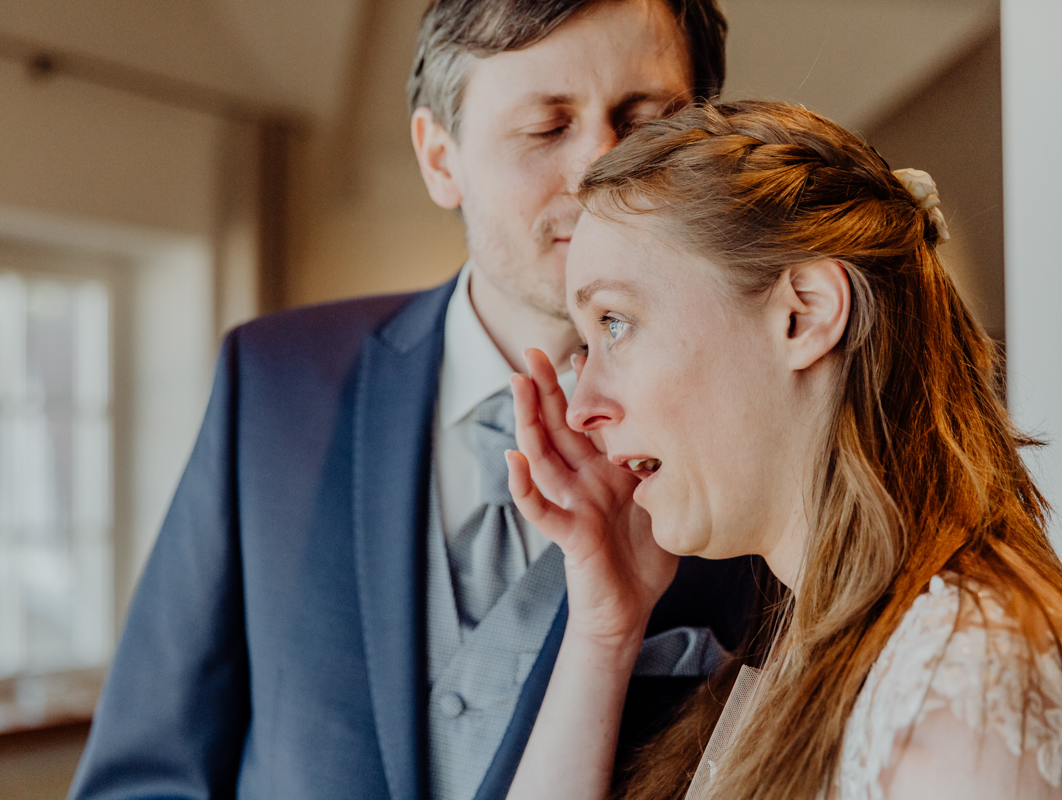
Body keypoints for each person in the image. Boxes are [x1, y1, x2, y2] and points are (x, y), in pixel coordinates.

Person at [69, 2, 757, 799]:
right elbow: (141, 778)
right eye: (546, 126)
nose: (601, 171)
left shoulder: (758, 428)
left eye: (643, 119)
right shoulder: (275, 383)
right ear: (440, 158)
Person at [502, 98, 1062, 800]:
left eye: (615, 321)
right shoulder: (818, 646)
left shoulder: (962, 693)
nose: (582, 409)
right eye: (585, 341)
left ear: (804, 315)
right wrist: (604, 625)